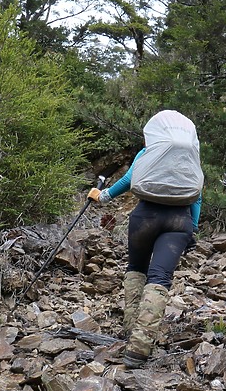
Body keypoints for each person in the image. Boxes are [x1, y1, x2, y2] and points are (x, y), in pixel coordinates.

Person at [87, 110, 202, 366]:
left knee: (136, 269)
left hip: (144, 218)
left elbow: (129, 180)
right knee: (160, 278)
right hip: (178, 222)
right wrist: (192, 228)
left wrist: (102, 196)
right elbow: (198, 195)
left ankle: (131, 331)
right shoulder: (189, 157)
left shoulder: (148, 153)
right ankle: (138, 349)